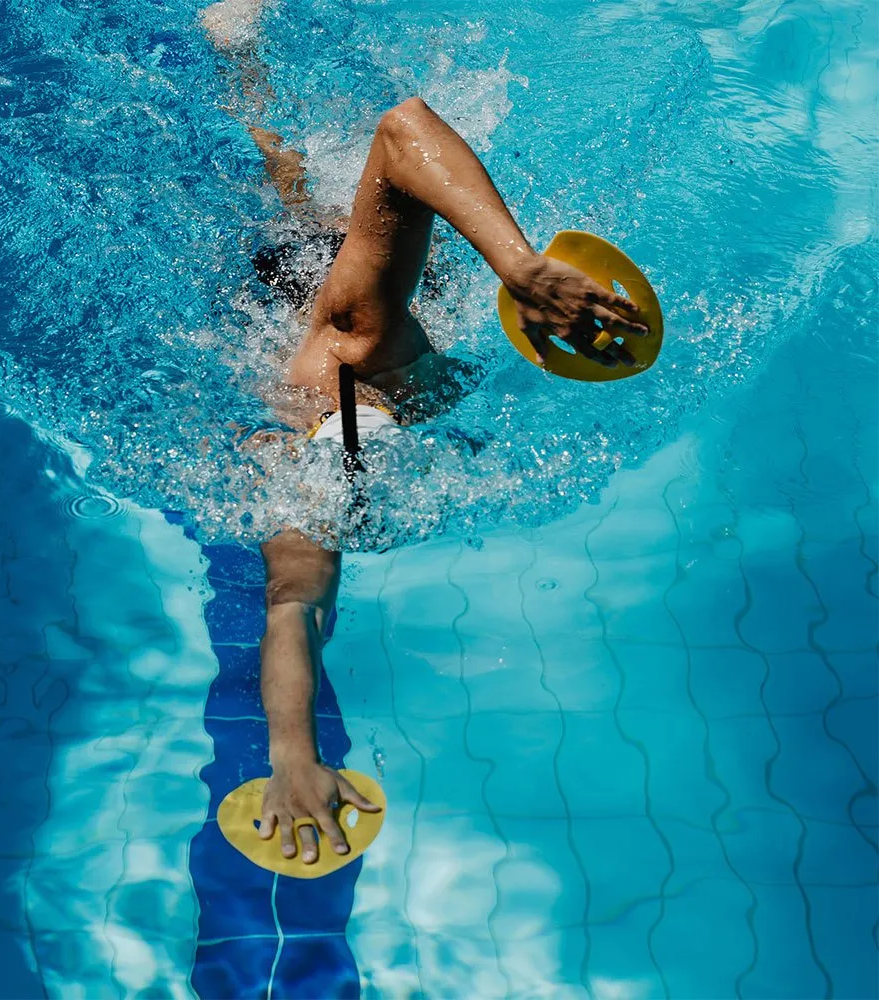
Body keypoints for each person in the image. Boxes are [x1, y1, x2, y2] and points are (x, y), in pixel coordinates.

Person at [203, 10, 647, 867]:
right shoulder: (345, 378)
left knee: (293, 192)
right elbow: (296, 603)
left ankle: (240, 53)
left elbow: (405, 129)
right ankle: (240, 56)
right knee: (290, 192)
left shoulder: (361, 350)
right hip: (328, 326)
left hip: (337, 318)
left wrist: (521, 268)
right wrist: (292, 759)